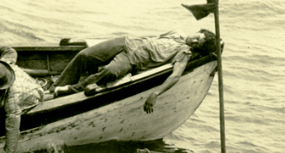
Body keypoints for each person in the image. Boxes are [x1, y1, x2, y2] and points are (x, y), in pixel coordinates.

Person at [50, 30, 218, 112]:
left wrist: (156, 94)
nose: (194, 40)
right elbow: (151, 37)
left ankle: (67, 91)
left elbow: (175, 76)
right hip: (126, 42)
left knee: (110, 72)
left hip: (132, 59)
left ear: (198, 49)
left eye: (198, 43)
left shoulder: (184, 53)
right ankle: (54, 88)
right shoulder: (176, 33)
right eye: (198, 36)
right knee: (83, 55)